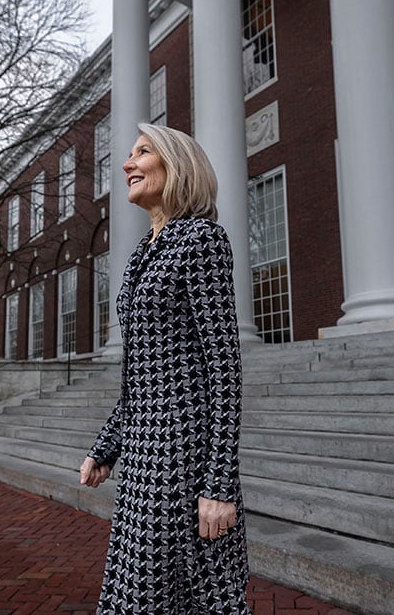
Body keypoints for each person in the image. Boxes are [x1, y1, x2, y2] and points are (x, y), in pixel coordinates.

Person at [79, 123, 250, 614]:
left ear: (177, 166)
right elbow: (141, 377)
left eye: (142, 152)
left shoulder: (202, 241)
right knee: (135, 593)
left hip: (186, 459)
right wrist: (107, 446)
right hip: (140, 460)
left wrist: (218, 484)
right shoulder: (138, 257)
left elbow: (224, 367)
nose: (128, 163)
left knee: (189, 598)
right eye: (129, 155)